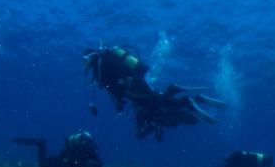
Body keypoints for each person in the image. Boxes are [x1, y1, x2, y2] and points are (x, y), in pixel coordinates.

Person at [83, 45, 225, 140]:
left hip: (135, 87)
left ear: (91, 56)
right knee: (157, 102)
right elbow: (112, 89)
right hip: (133, 90)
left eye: (85, 60)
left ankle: (185, 100)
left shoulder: (105, 60)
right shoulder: (101, 66)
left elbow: (120, 74)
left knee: (155, 102)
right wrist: (119, 106)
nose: (85, 64)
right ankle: (193, 98)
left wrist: (125, 86)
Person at [12, 131, 102, 167]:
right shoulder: (79, 155)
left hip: (62, 161)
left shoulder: (85, 154)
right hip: (58, 163)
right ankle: (40, 143)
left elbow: (98, 164)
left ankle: (39, 142)